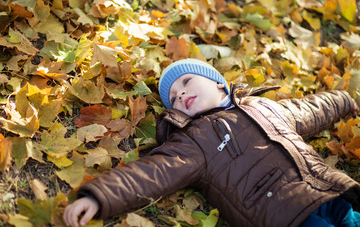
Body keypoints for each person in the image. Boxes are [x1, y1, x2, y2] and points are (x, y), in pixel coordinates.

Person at [63, 58, 360, 227]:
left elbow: (310, 109)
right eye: (175, 99)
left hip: (329, 189)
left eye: (186, 82)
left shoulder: (263, 106)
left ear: (218, 82)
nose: (180, 95)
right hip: (283, 215)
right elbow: (151, 174)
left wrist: (344, 100)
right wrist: (98, 197)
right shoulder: (194, 142)